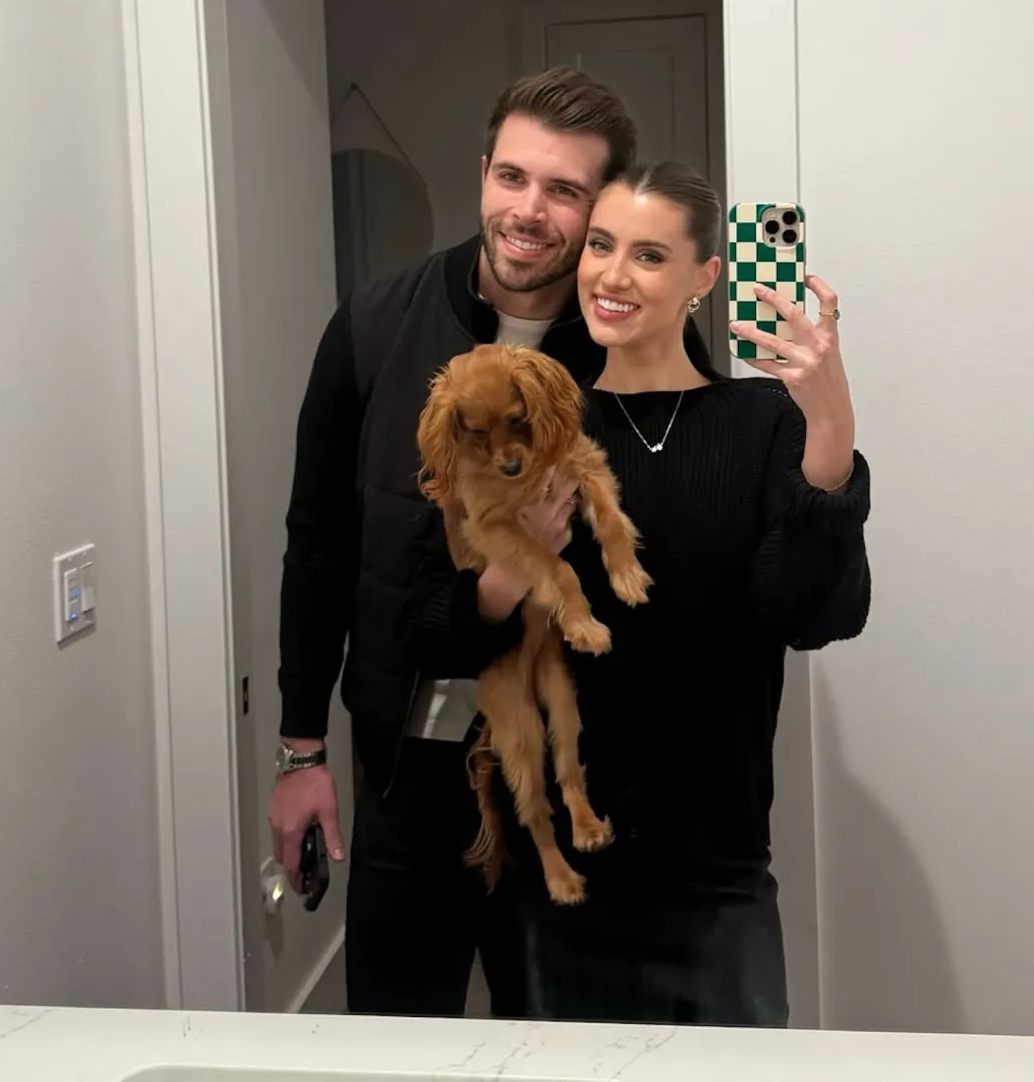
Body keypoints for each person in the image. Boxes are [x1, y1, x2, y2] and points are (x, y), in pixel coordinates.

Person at [269, 69, 711, 1018]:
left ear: (601, 208)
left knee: (573, 1057)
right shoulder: (374, 327)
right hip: (406, 778)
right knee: (396, 1054)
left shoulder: (642, 348)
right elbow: (318, 548)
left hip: (578, 769)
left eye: (564, 191)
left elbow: (688, 561)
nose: (529, 212)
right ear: (482, 173)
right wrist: (301, 753)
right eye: (512, 177)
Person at [490, 161, 872, 1027]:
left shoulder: (763, 422)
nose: (613, 275)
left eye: (650, 255)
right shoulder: (541, 428)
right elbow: (452, 627)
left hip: (721, 877)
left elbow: (814, 615)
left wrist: (831, 431)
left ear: (706, 277)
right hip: (562, 871)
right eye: (601, 246)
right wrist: (516, 560)